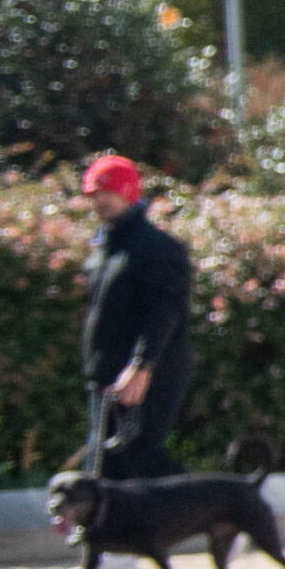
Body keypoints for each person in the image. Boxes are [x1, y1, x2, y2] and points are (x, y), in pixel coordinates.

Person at [80, 153, 194, 482]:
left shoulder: (157, 247)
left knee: (139, 460)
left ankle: (217, 510)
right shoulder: (105, 248)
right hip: (106, 375)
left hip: (147, 375)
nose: (100, 200)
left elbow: (164, 312)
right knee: (110, 468)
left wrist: (142, 365)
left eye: (107, 192)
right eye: (94, 194)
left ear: (128, 191)